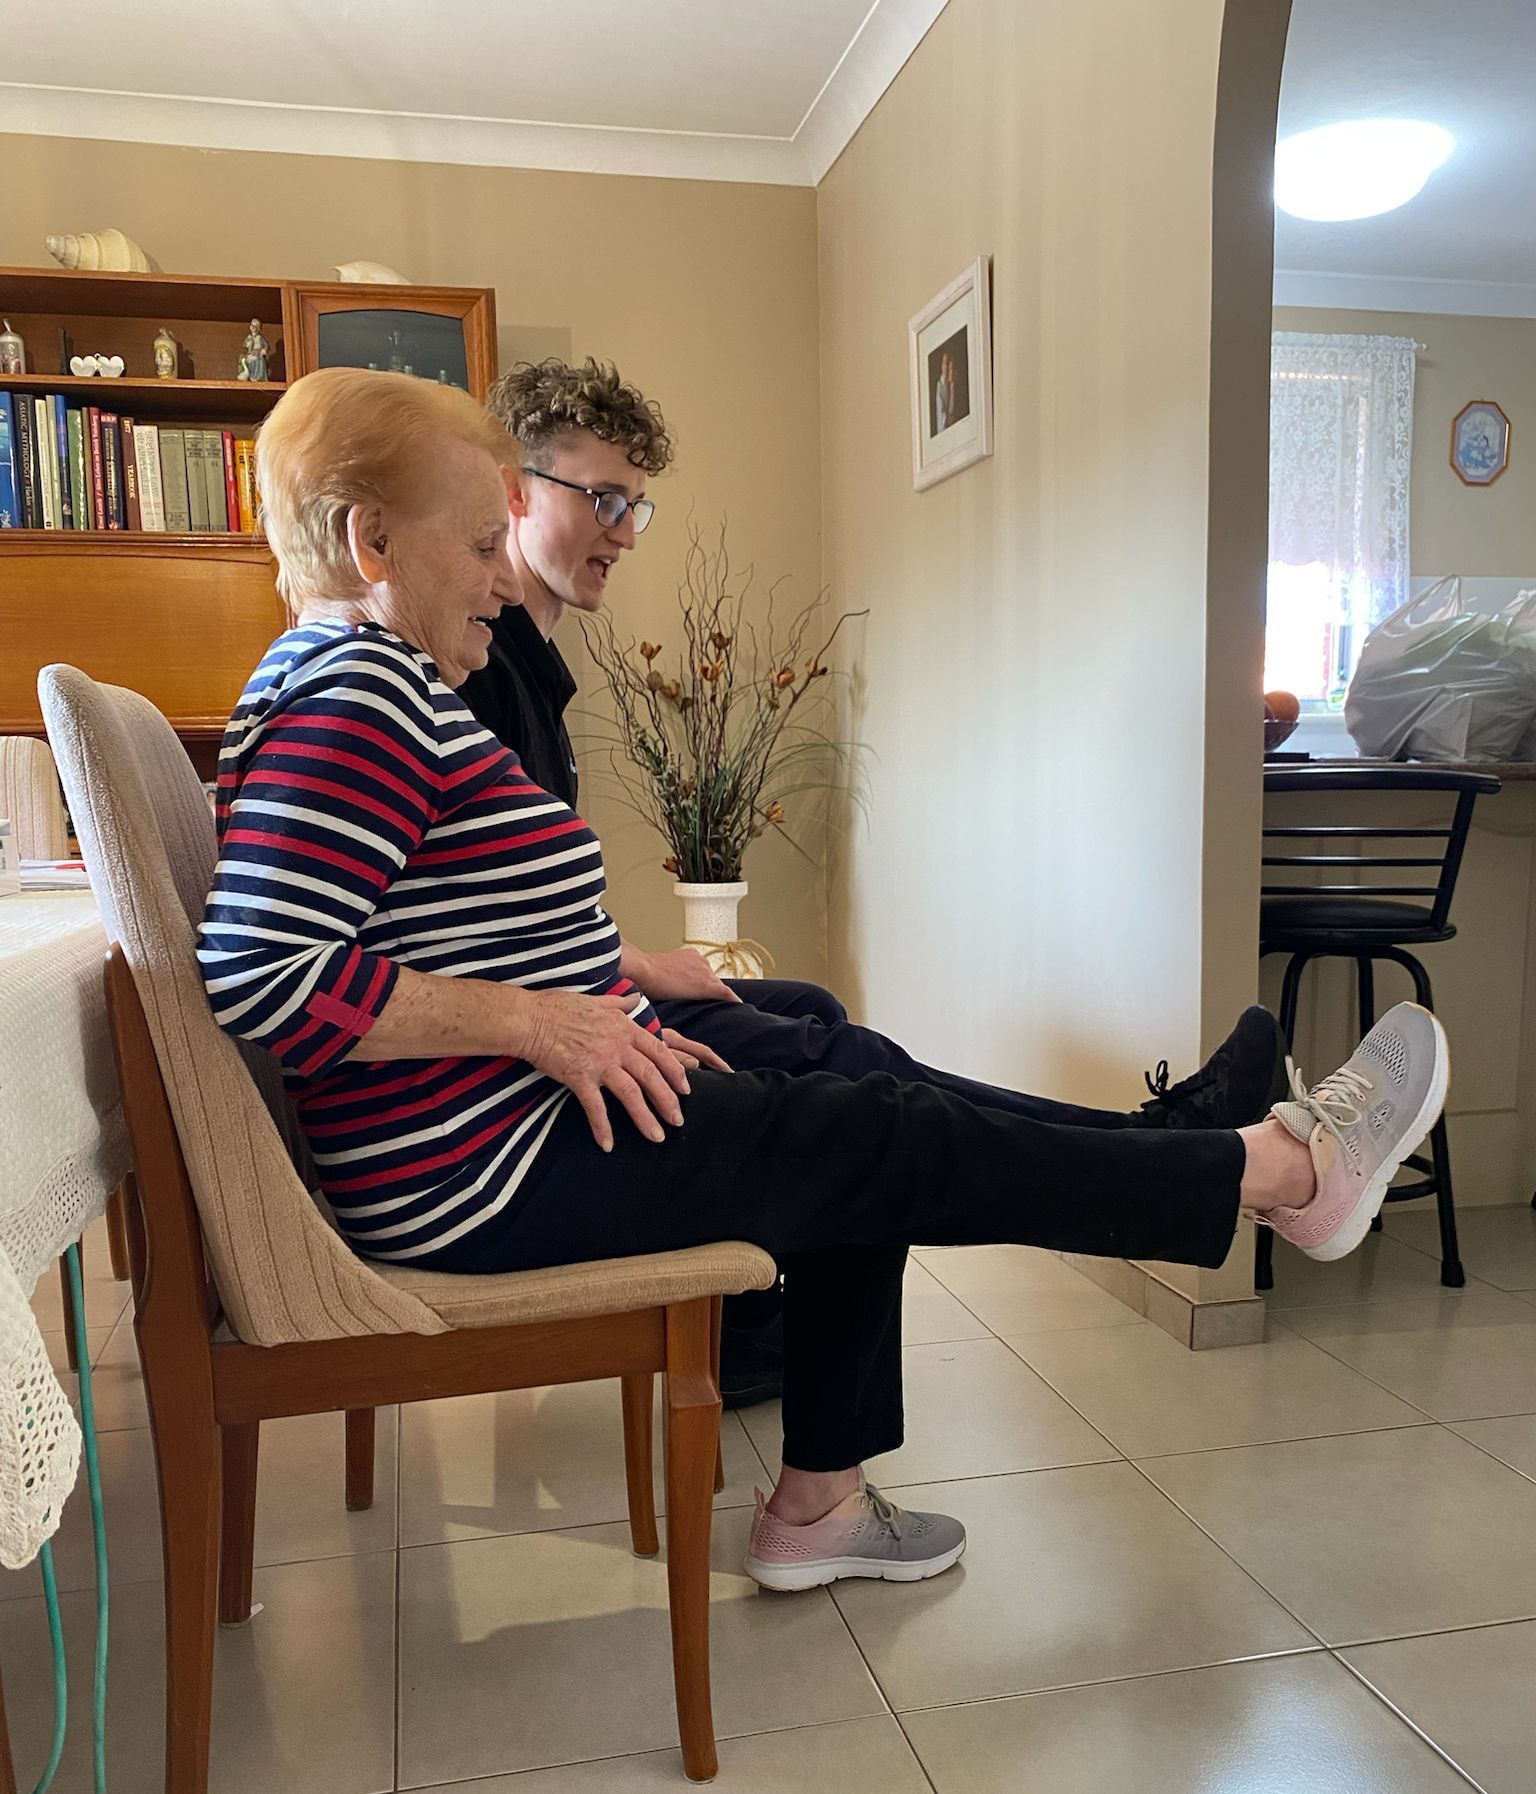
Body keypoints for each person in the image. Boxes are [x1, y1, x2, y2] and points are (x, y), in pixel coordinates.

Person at [199, 368, 1450, 1594]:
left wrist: (588, 992)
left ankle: (828, 1499)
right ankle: (1277, 1173)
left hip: (507, 1124)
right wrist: (540, 1022)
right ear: (372, 541)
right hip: (481, 1166)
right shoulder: (356, 691)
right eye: (477, 541)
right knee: (870, 1137)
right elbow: (261, 975)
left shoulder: (371, 679)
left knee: (860, 1093)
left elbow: (410, 921)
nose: (494, 570)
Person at [454, 358, 1296, 1408]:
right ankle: (1175, 1155)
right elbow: (431, 943)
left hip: (577, 1009)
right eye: (605, 499)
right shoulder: (471, 671)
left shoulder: (520, 662)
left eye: (639, 505)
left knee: (821, 1022)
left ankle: (769, 1325)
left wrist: (630, 962)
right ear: (514, 488)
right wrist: (591, 1003)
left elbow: (499, 912)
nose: (626, 529)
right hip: (529, 1087)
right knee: (865, 1107)